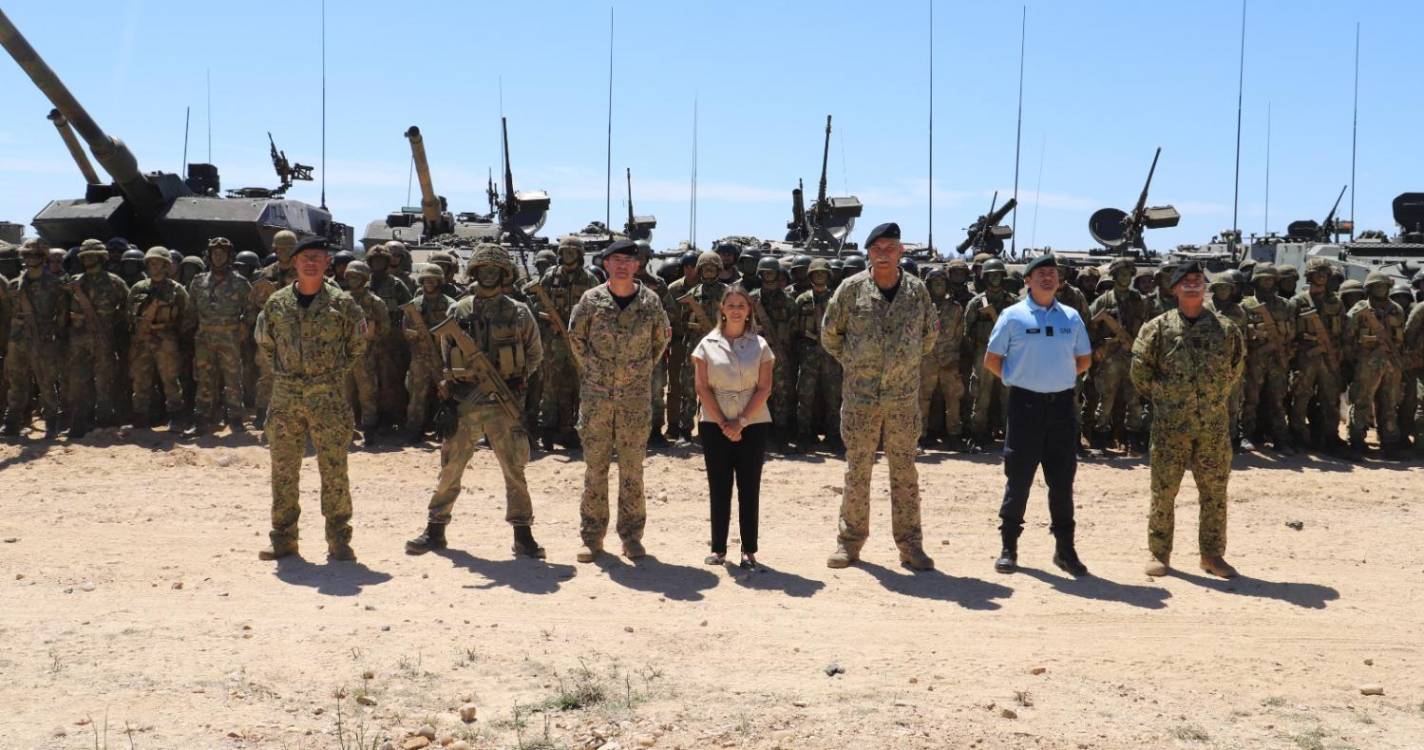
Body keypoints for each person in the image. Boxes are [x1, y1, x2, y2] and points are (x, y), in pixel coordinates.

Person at [405, 245, 545, 558]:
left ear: (505, 274)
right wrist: (453, 389)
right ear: (475, 272)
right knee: (450, 468)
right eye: (483, 269)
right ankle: (435, 528)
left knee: (514, 469)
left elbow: (535, 353)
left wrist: (516, 381)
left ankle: (523, 534)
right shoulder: (459, 310)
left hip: (502, 401)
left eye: (495, 270)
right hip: (465, 399)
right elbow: (446, 350)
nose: (489, 274)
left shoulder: (518, 312)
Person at [820, 222, 938, 571]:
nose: (883, 253)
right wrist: (857, 365)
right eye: (877, 248)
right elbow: (830, 335)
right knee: (857, 471)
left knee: (905, 472)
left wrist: (903, 367)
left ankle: (911, 546)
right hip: (861, 399)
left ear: (901, 252)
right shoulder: (851, 290)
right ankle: (849, 543)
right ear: (868, 253)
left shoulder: (918, 292)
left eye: (890, 247)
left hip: (902, 400)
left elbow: (928, 337)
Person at [1130, 261, 1246, 579]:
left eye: (1198, 280)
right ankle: (1159, 552)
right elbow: (1140, 371)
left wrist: (1211, 397)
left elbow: (1236, 367)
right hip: (1170, 426)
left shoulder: (1225, 329)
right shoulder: (1157, 328)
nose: (1193, 284)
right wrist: (1167, 397)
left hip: (1212, 425)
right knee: (1164, 491)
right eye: (1186, 281)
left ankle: (1212, 555)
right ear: (1174, 288)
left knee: (1214, 493)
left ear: (1205, 287)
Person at [254, 238, 367, 562]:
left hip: (327, 396)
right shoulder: (277, 303)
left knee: (333, 469)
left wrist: (331, 374)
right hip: (286, 395)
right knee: (284, 469)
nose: (310, 263)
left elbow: (357, 344)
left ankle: (338, 539)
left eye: (317, 258)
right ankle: (283, 539)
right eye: (305, 258)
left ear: (327, 261)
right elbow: (264, 340)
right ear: (295, 262)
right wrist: (285, 371)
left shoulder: (342, 303)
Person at [982, 254, 1093, 576]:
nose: (1047, 277)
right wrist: (1017, 378)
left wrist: (1056, 379)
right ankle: (1009, 548)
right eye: (1040, 273)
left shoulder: (1071, 317)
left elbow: (1083, 359)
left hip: (1061, 407)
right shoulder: (1013, 316)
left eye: (1052, 274)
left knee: (1061, 481)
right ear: (1027, 281)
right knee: (1019, 479)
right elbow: (992, 359)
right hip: (1025, 407)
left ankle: (1065, 550)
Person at [567, 239, 671, 562]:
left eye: (629, 259)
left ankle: (632, 537)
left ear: (638, 266)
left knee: (632, 471)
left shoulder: (651, 303)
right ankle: (592, 537)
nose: (623, 265)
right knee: (595, 469)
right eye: (616, 260)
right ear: (606, 265)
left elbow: (660, 342)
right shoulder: (590, 301)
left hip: (634, 403)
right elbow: (577, 340)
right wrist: (601, 374)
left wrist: (633, 375)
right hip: (597, 401)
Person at [691, 285, 774, 569]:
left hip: (753, 423)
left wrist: (740, 422)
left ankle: (749, 551)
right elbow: (702, 387)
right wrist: (723, 423)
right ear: (722, 310)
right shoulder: (706, 345)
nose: (736, 309)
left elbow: (764, 388)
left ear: (749, 310)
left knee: (749, 488)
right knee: (719, 486)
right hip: (714, 424)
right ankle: (718, 550)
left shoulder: (761, 346)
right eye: (731, 304)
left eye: (742, 304)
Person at [185, 237, 254, 435]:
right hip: (205, 338)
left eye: (222, 253)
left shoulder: (240, 282)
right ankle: (202, 421)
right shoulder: (198, 281)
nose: (218, 256)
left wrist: (244, 326)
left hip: (230, 338)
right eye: (214, 253)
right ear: (209, 256)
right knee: (204, 379)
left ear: (229, 256)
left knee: (233, 379)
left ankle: (235, 420)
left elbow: (251, 309)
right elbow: (191, 310)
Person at [2, 239, 68, 439]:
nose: (29, 259)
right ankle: (12, 422)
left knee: (46, 382)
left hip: (43, 340)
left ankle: (51, 422)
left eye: (34, 255)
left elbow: (62, 315)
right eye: (26, 255)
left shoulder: (54, 284)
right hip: (18, 340)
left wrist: (54, 336)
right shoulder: (15, 285)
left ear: (42, 257)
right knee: (17, 381)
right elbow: (9, 314)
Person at [65, 238, 129, 439]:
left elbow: (127, 309)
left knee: (104, 382)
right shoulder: (75, 282)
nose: (88, 259)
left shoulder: (115, 282)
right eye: (85, 256)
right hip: (79, 341)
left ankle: (104, 421)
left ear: (102, 257)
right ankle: (79, 423)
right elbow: (62, 310)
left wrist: (112, 324)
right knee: (79, 381)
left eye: (92, 255)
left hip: (104, 339)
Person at [128, 246, 191, 431]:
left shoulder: (177, 290)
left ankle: (176, 418)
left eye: (157, 262)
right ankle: (140, 418)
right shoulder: (138, 288)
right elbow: (129, 315)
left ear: (166, 265)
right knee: (140, 380)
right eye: (150, 262)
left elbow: (187, 317)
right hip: (143, 339)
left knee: (170, 380)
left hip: (167, 341)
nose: (153, 266)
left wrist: (176, 336)